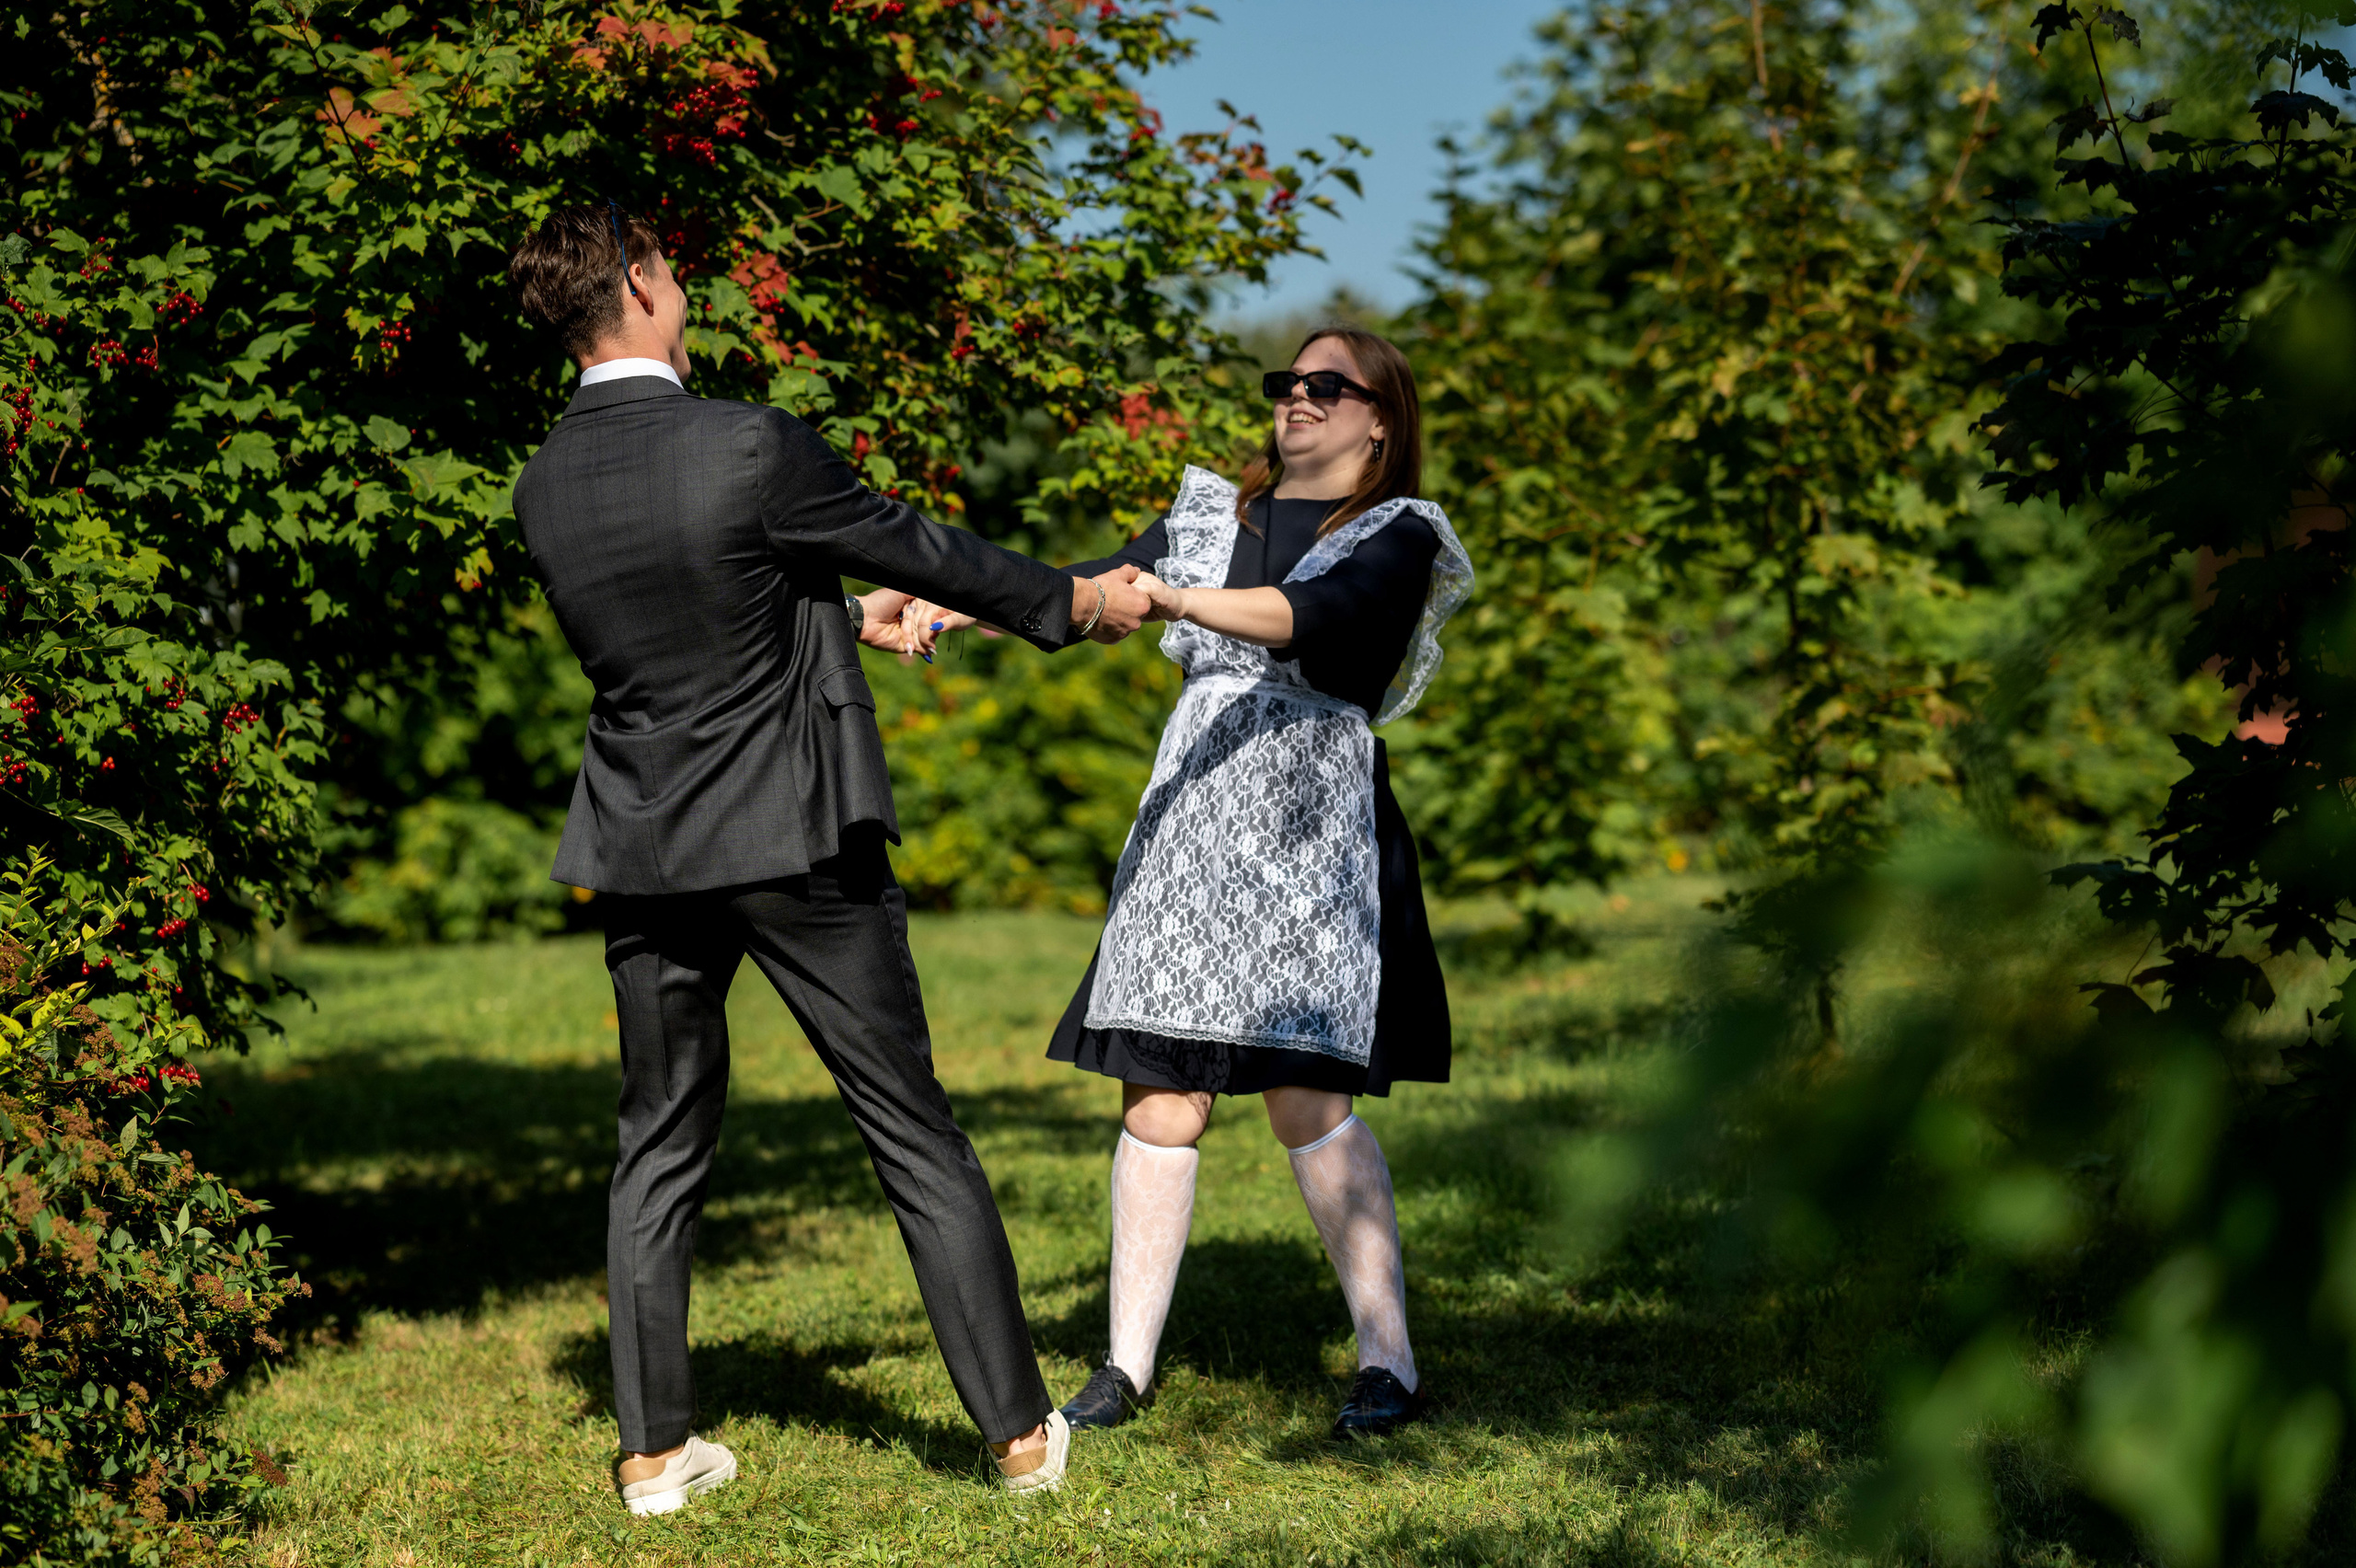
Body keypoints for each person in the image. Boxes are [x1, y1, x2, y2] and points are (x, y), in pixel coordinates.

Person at [504, 202, 1154, 1513]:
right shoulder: (747, 441)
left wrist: (844, 616)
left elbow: (694, 624)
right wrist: (1072, 603)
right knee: (911, 1128)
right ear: (636, 281)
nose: (682, 279)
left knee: (658, 1143)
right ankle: (1021, 1437)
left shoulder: (544, 483)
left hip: (645, 844)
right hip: (797, 832)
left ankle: (649, 1455)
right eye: (671, 263)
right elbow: (923, 544)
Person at [900, 328, 1472, 1440]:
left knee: (1307, 1096)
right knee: (1160, 1098)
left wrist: (1173, 602)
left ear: (1380, 418)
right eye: (1286, 383)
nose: (1297, 400)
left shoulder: (1399, 534)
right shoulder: (1212, 517)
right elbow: (1085, 589)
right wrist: (955, 606)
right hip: (1191, 828)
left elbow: (1310, 623)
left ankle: (1387, 1363)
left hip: (1313, 829)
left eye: (1326, 386)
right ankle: (1123, 1369)